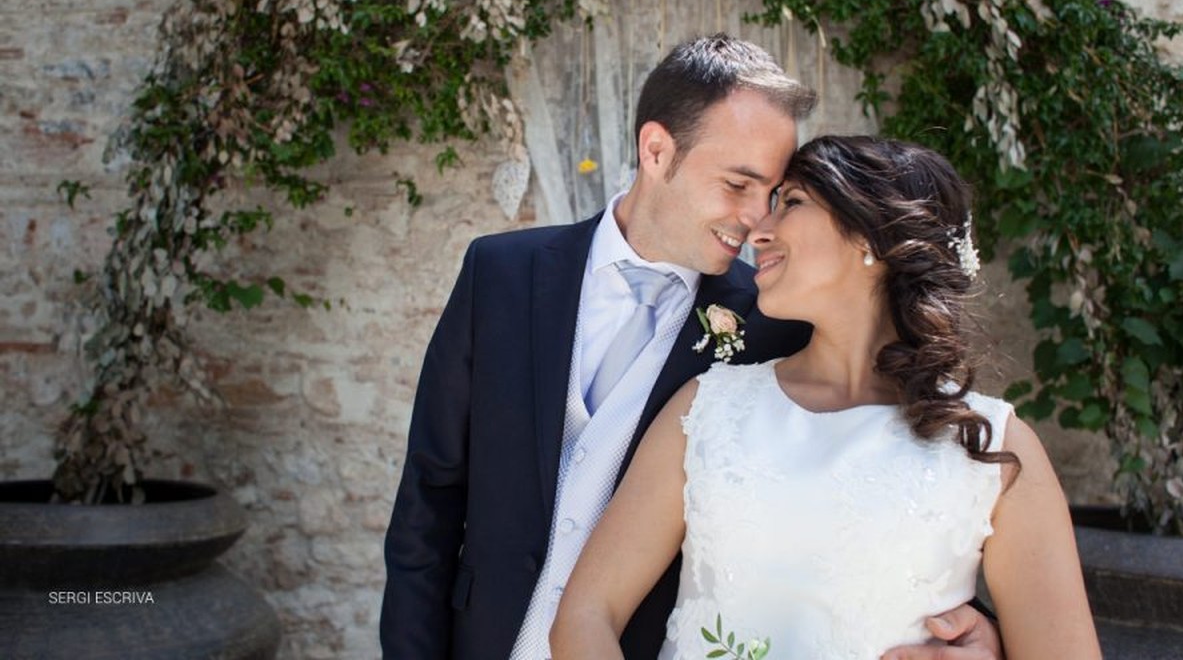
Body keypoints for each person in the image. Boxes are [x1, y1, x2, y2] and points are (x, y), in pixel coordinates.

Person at [382, 37, 1006, 660]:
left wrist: (975, 629)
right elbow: (429, 501)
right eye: (738, 184)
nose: (758, 220)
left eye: (775, 195)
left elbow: (855, 499)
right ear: (656, 150)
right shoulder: (501, 273)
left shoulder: (775, 320)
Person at [550, 135, 1101, 660]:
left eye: (790, 202)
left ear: (870, 236)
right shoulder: (706, 410)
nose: (758, 230)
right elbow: (587, 614)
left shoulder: (993, 448)